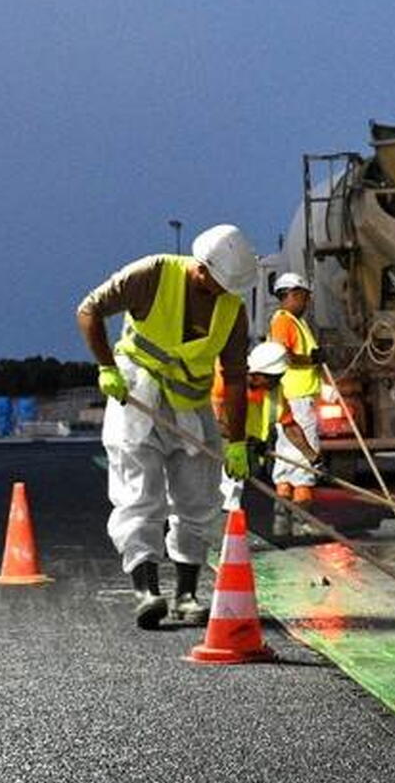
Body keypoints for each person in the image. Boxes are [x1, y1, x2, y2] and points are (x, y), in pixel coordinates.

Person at [76, 224, 256, 630]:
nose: (224, 295)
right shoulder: (153, 274)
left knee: (200, 499)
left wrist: (238, 441)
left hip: (191, 407)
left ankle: (188, 594)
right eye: (218, 285)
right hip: (139, 399)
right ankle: (146, 589)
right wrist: (106, 367)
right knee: (139, 494)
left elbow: (237, 376)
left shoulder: (232, 310)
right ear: (202, 269)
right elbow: (89, 310)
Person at [221, 341, 320, 538]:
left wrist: (313, 458)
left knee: (233, 491)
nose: (280, 381)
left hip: (244, 444)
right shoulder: (231, 383)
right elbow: (218, 420)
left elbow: (290, 427)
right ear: (258, 375)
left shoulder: (275, 393)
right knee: (219, 490)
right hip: (220, 443)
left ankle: (228, 537)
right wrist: (242, 440)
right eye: (276, 377)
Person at [268, 272, 323, 531]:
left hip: (293, 396)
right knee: (305, 459)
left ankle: (282, 518)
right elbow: (284, 356)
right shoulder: (284, 321)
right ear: (290, 294)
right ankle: (304, 520)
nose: (307, 302)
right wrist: (312, 360)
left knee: (287, 457)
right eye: (303, 296)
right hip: (297, 398)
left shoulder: (294, 322)